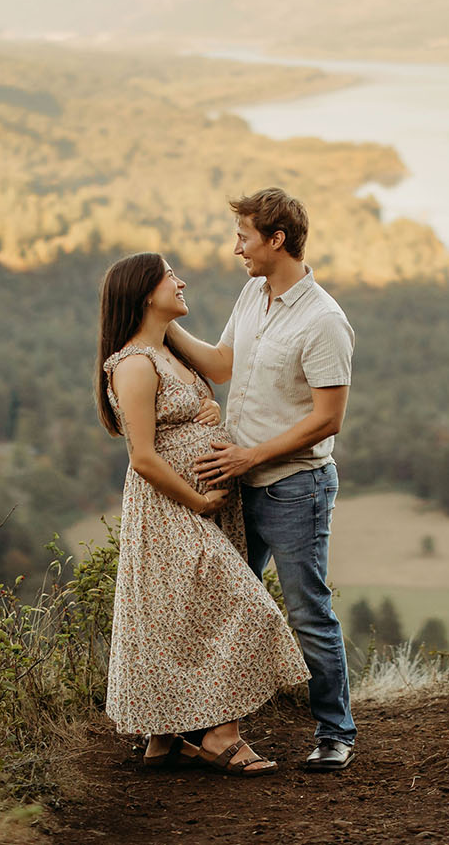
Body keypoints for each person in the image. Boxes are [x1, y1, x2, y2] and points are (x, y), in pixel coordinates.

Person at [95, 251, 309, 777]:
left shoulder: (165, 353)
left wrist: (207, 413)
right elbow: (142, 456)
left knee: (181, 614)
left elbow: (192, 404)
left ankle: (166, 736)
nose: (182, 281)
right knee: (243, 608)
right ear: (147, 292)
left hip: (202, 507)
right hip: (173, 511)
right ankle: (220, 736)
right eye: (171, 276)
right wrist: (199, 500)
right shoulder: (135, 364)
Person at [167, 188, 358, 772]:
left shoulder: (325, 320)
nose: (236, 249)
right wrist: (154, 324)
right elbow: (223, 364)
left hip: (295, 489)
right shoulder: (254, 291)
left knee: (307, 612)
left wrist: (250, 457)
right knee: (218, 602)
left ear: (277, 240)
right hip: (239, 486)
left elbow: (327, 420)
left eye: (244, 237)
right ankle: (200, 727)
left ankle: (335, 733)